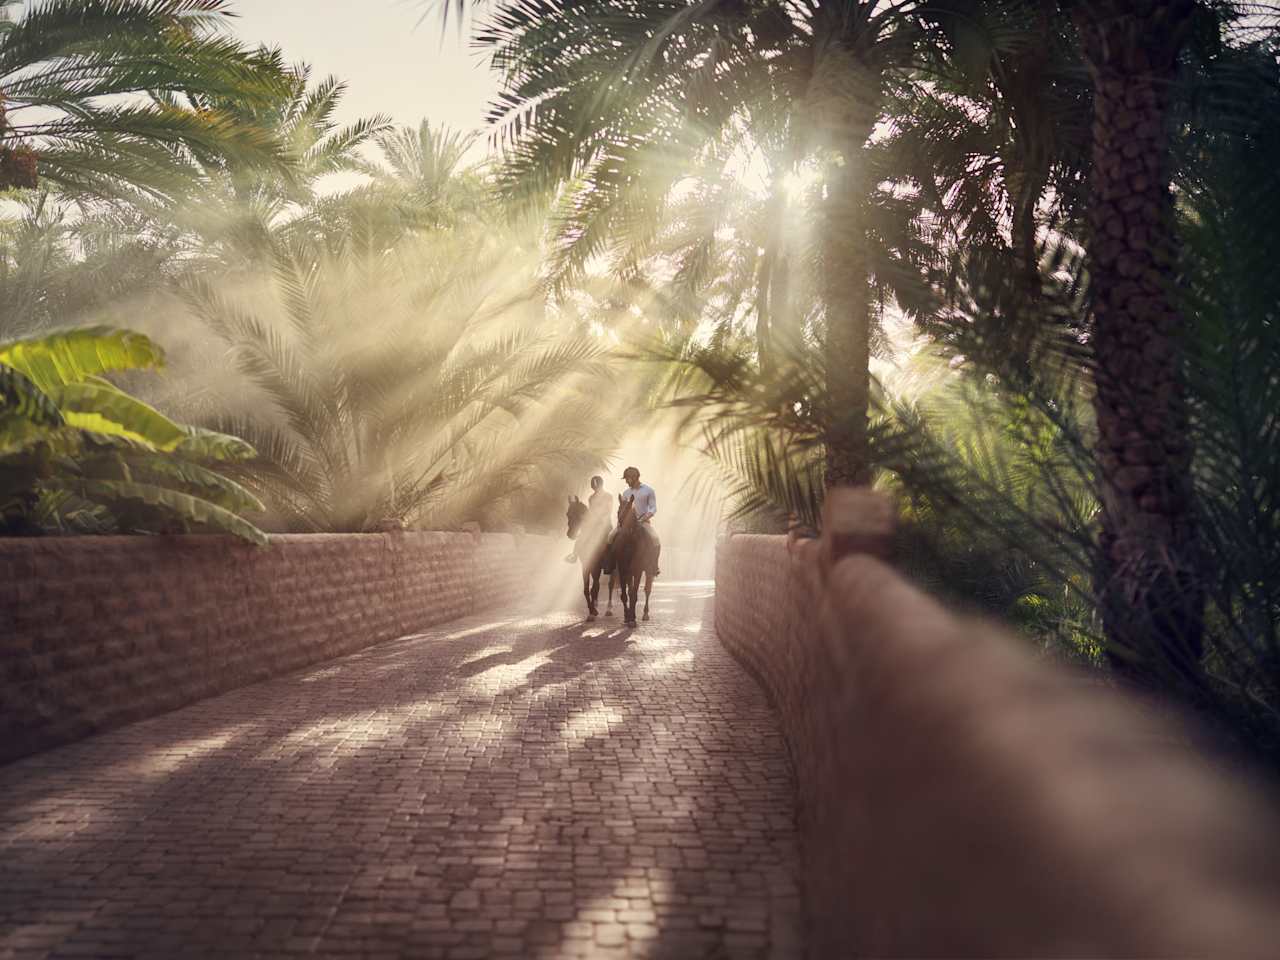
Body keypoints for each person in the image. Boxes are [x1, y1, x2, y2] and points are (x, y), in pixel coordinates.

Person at [616, 465, 660, 576]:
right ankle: (612, 564)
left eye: (627, 478)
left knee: (655, 539)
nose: (626, 481)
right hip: (627, 524)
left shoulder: (648, 491)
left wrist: (645, 517)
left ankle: (654, 566)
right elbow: (622, 509)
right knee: (611, 537)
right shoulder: (626, 493)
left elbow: (653, 508)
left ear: (634, 477)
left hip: (643, 522)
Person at [565, 475, 612, 562]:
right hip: (593, 524)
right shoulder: (591, 498)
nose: (595, 489)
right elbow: (591, 511)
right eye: (594, 487)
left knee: (610, 540)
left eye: (596, 486)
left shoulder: (608, 496)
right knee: (582, 537)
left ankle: (610, 560)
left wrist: (600, 519)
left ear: (600, 485)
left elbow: (608, 511)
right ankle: (574, 556)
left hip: (605, 524)